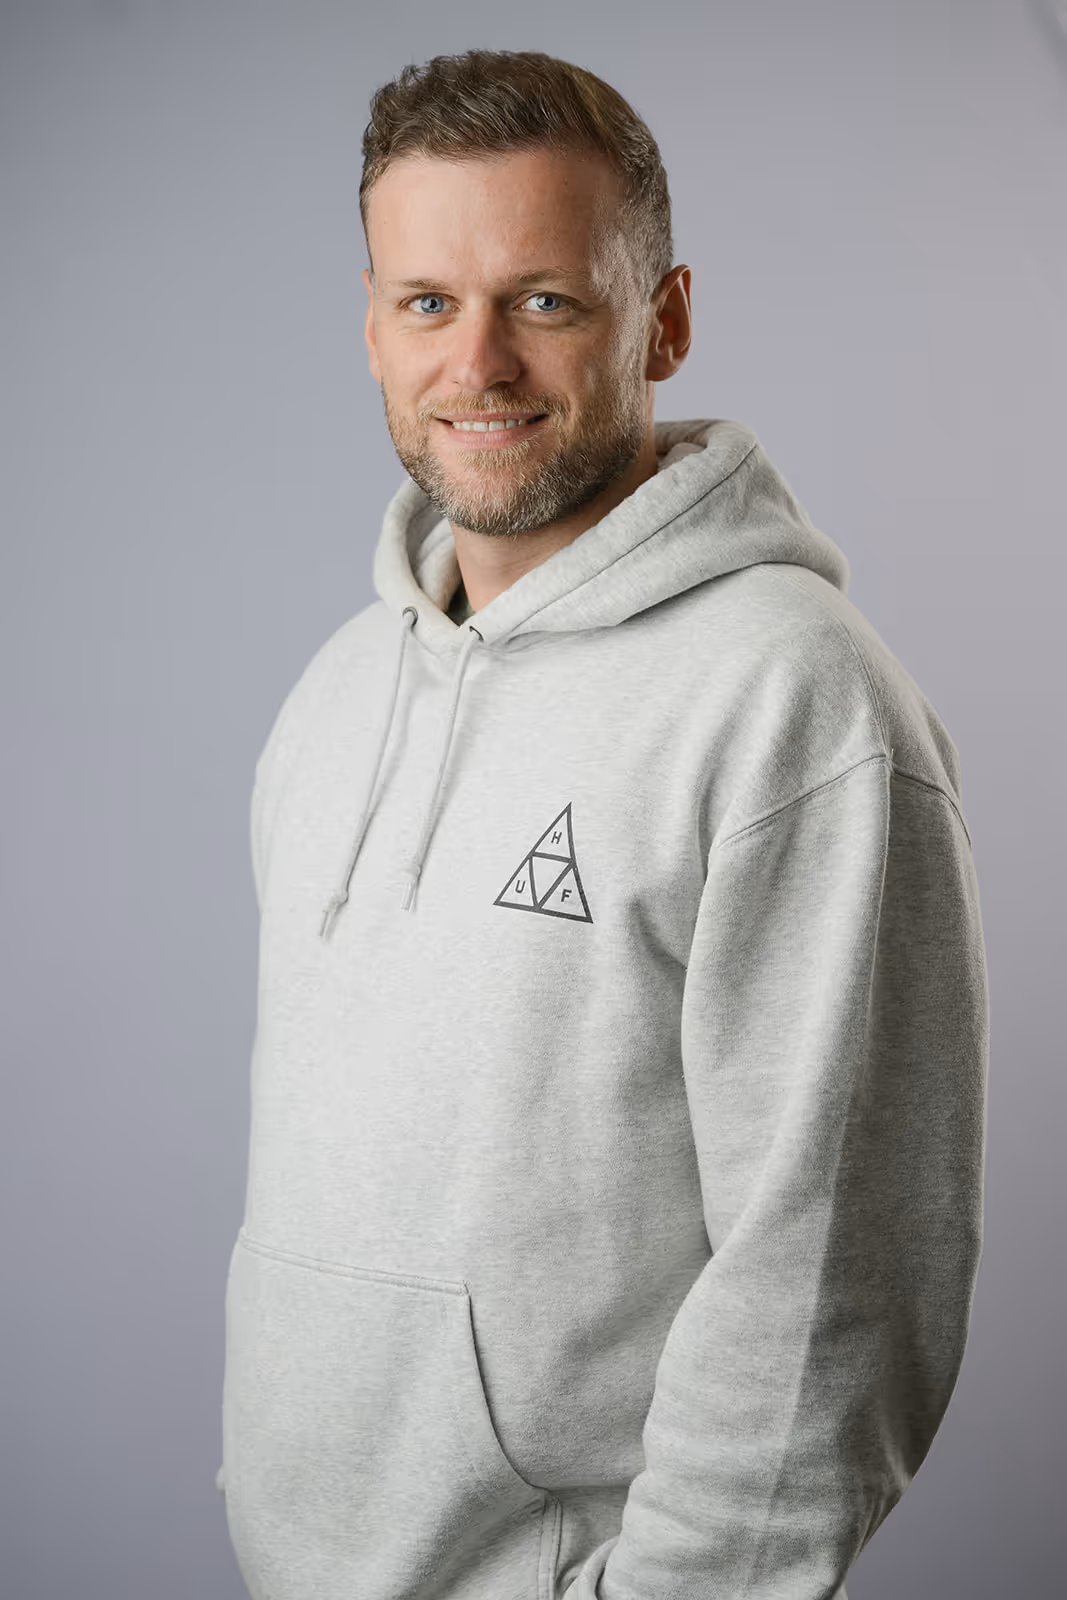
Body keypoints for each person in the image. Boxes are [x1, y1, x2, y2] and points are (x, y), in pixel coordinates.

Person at [216, 48, 989, 1600]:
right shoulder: (337, 690)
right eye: (428, 301)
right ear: (372, 328)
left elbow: (835, 1273)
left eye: (545, 299)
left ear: (666, 319)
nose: (479, 361)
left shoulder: (793, 701)